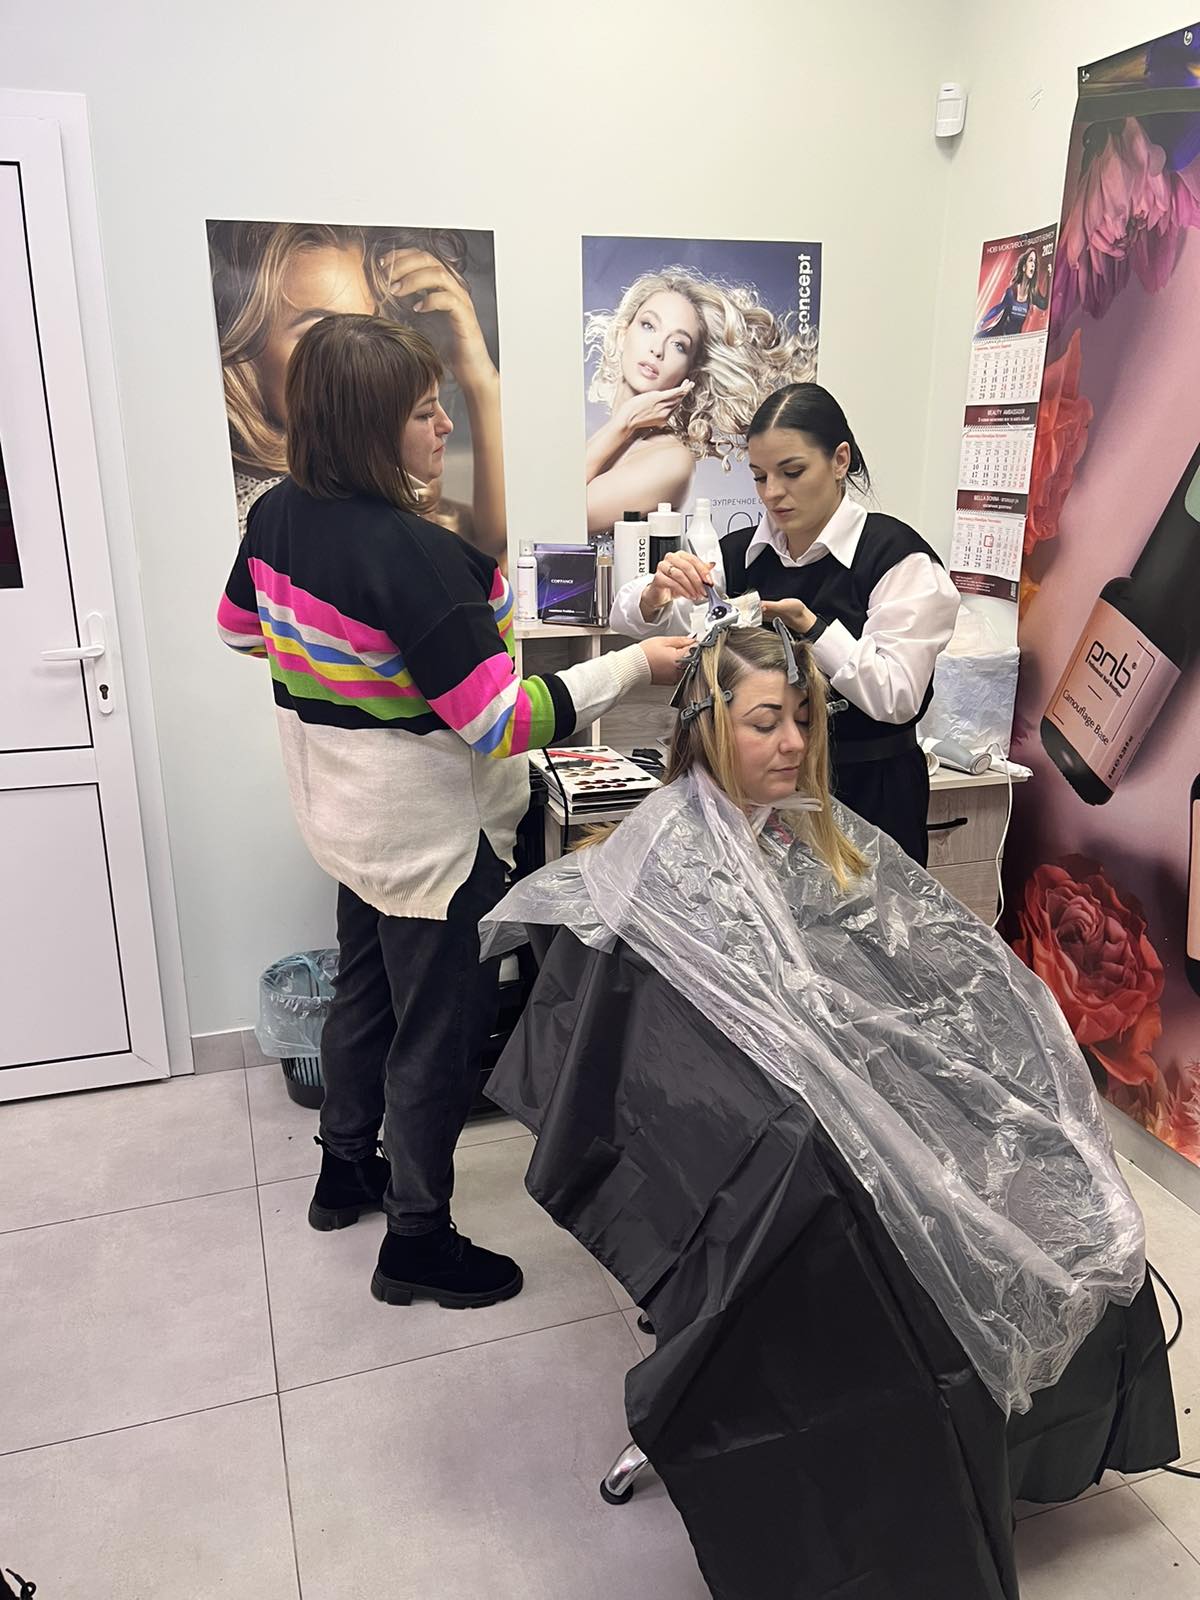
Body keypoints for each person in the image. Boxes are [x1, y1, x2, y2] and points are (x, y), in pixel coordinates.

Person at [479, 623, 1176, 1598]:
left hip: (831, 1088)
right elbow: (697, 1056)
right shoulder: (667, 852)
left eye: (804, 719)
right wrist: (863, 1114)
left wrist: (967, 1050)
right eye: (766, 720)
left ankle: (1033, 1424)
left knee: (1040, 1155)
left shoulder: (800, 832)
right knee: (899, 1233)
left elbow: (875, 969)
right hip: (766, 1147)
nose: (793, 743)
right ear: (708, 726)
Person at [216, 313, 690, 1311]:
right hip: (433, 845)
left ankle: (345, 1168)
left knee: (362, 998)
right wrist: (632, 666)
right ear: (368, 429)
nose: (445, 428)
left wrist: (347, 677)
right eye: (424, 413)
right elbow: (499, 721)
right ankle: (418, 1240)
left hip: (343, 823)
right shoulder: (418, 559)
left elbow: (238, 632)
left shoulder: (277, 516)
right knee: (437, 1034)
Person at [609, 382, 959, 864]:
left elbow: (896, 698)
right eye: (759, 477)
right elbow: (631, 617)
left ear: (839, 460)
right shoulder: (738, 554)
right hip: (756, 800)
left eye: (792, 472)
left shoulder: (898, 560)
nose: (772, 493)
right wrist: (655, 592)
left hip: (868, 794)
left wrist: (812, 627)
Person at [208, 221, 508, 561]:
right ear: (245, 352)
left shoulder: (349, 477)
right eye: (320, 332)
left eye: (369, 330)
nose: (358, 361)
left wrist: (479, 377)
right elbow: (490, 559)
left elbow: (493, 543)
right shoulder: (266, 517)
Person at [583, 267, 818, 534]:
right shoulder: (595, 434)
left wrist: (624, 422)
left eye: (678, 345)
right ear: (622, 335)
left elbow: (565, 515)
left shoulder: (670, 460)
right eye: (649, 326)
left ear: (690, 373)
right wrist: (620, 424)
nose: (657, 349)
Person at [976, 246, 1051, 338]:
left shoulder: (1032, 295)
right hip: (998, 335)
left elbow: (1044, 305)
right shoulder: (1011, 292)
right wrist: (983, 320)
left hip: (1014, 339)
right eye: (1031, 260)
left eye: (1034, 262)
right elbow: (999, 307)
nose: (1033, 265)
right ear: (1024, 267)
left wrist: (1049, 277)